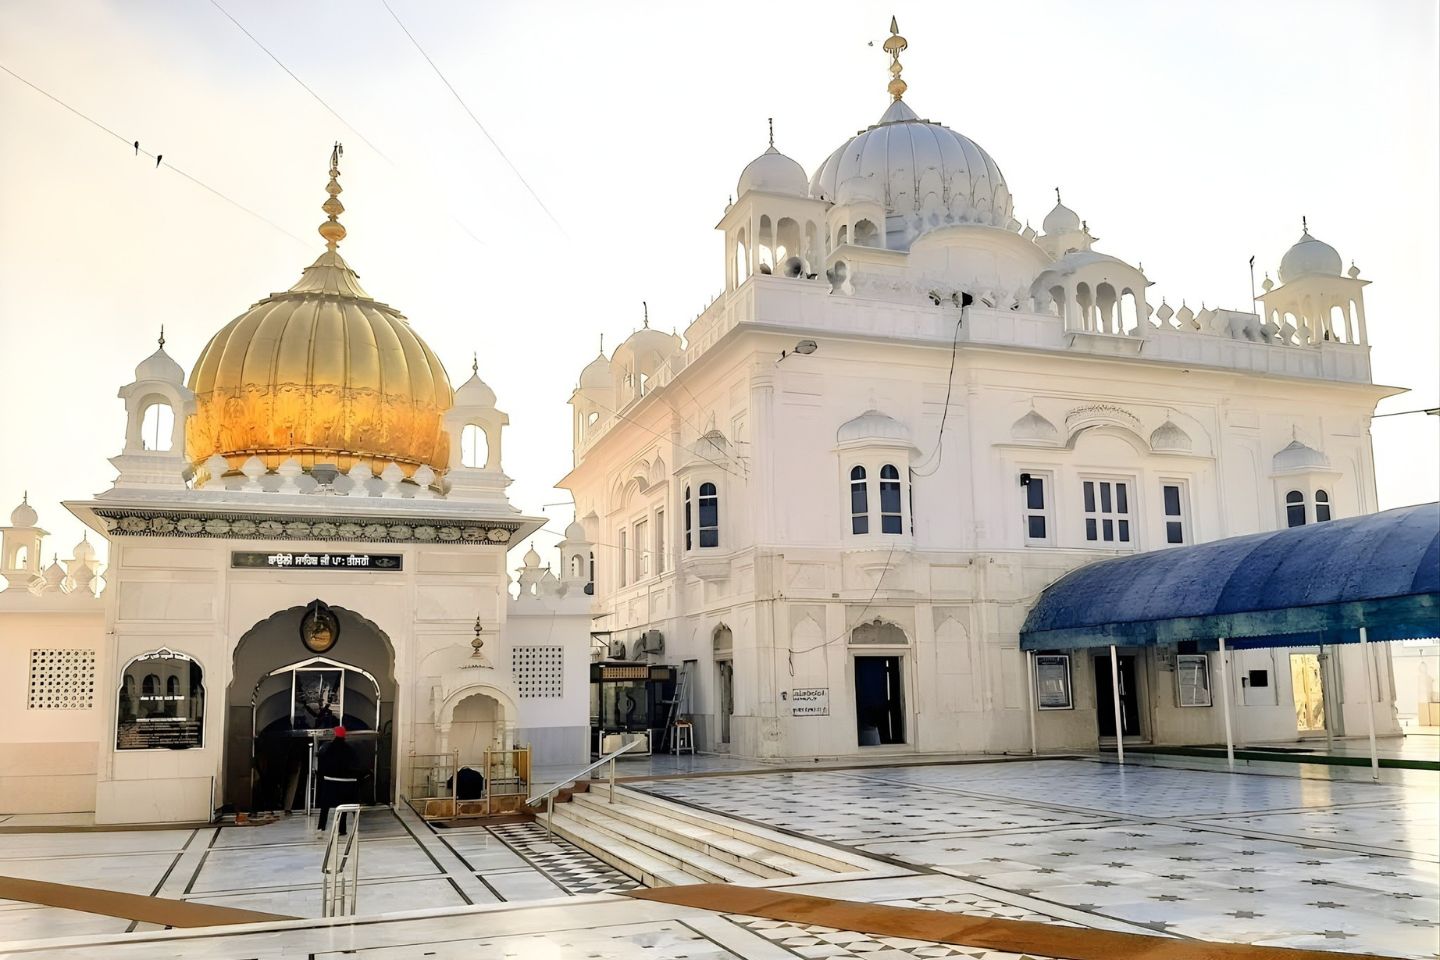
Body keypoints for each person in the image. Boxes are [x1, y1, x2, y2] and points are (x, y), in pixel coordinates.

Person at [316, 726, 366, 835]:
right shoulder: (350, 749)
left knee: (325, 805)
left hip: (330, 784)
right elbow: (356, 766)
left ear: (335, 735)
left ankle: (321, 826)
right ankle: (342, 829)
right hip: (347, 786)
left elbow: (323, 766)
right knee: (344, 803)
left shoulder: (328, 749)